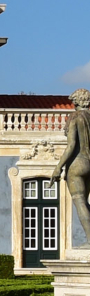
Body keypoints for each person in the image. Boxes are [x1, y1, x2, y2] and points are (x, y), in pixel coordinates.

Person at [53, 88, 90, 242]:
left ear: (76, 102)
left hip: (77, 163)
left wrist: (58, 167)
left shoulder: (75, 117)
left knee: (79, 200)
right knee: (86, 203)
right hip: (89, 161)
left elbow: (71, 146)